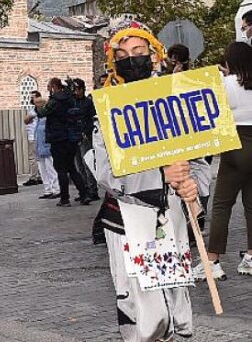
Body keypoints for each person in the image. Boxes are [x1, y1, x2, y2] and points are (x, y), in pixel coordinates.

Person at [93, 21, 198, 341]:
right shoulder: (108, 106)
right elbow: (104, 171)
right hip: (127, 220)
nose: (131, 59)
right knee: (142, 311)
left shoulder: (176, 98)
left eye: (138, 52)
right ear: (113, 62)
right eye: (122, 54)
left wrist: (192, 185)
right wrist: (159, 175)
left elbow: (198, 154)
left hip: (168, 218)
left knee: (169, 300)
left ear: (154, 55)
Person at [195, 42, 252, 280]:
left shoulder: (225, 84)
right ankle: (250, 256)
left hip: (235, 143)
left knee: (221, 205)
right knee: (251, 205)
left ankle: (212, 260)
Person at [38, 78, 89, 206]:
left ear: (54, 86)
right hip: (71, 137)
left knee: (61, 169)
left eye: (49, 86)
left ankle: (65, 199)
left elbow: (42, 113)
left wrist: (39, 106)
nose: (48, 89)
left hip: (58, 138)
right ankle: (84, 194)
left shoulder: (54, 101)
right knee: (72, 167)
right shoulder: (71, 99)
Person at [72, 79, 100, 202]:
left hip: (85, 136)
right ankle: (84, 190)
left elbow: (93, 119)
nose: (76, 92)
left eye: (78, 89)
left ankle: (92, 190)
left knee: (87, 164)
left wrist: (87, 132)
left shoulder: (87, 103)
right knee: (79, 166)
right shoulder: (72, 102)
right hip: (75, 136)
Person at [32, 96, 59, 199]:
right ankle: (47, 189)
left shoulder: (48, 117)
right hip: (40, 147)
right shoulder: (38, 118)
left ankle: (56, 189)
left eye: (38, 104)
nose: (36, 106)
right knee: (43, 170)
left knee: (51, 169)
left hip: (47, 147)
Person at [23, 91, 43, 186]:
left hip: (34, 137)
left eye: (33, 97)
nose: (32, 99)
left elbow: (26, 120)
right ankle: (39, 176)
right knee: (38, 157)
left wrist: (28, 118)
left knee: (33, 158)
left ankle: (34, 177)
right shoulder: (35, 109)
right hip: (34, 135)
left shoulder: (37, 110)